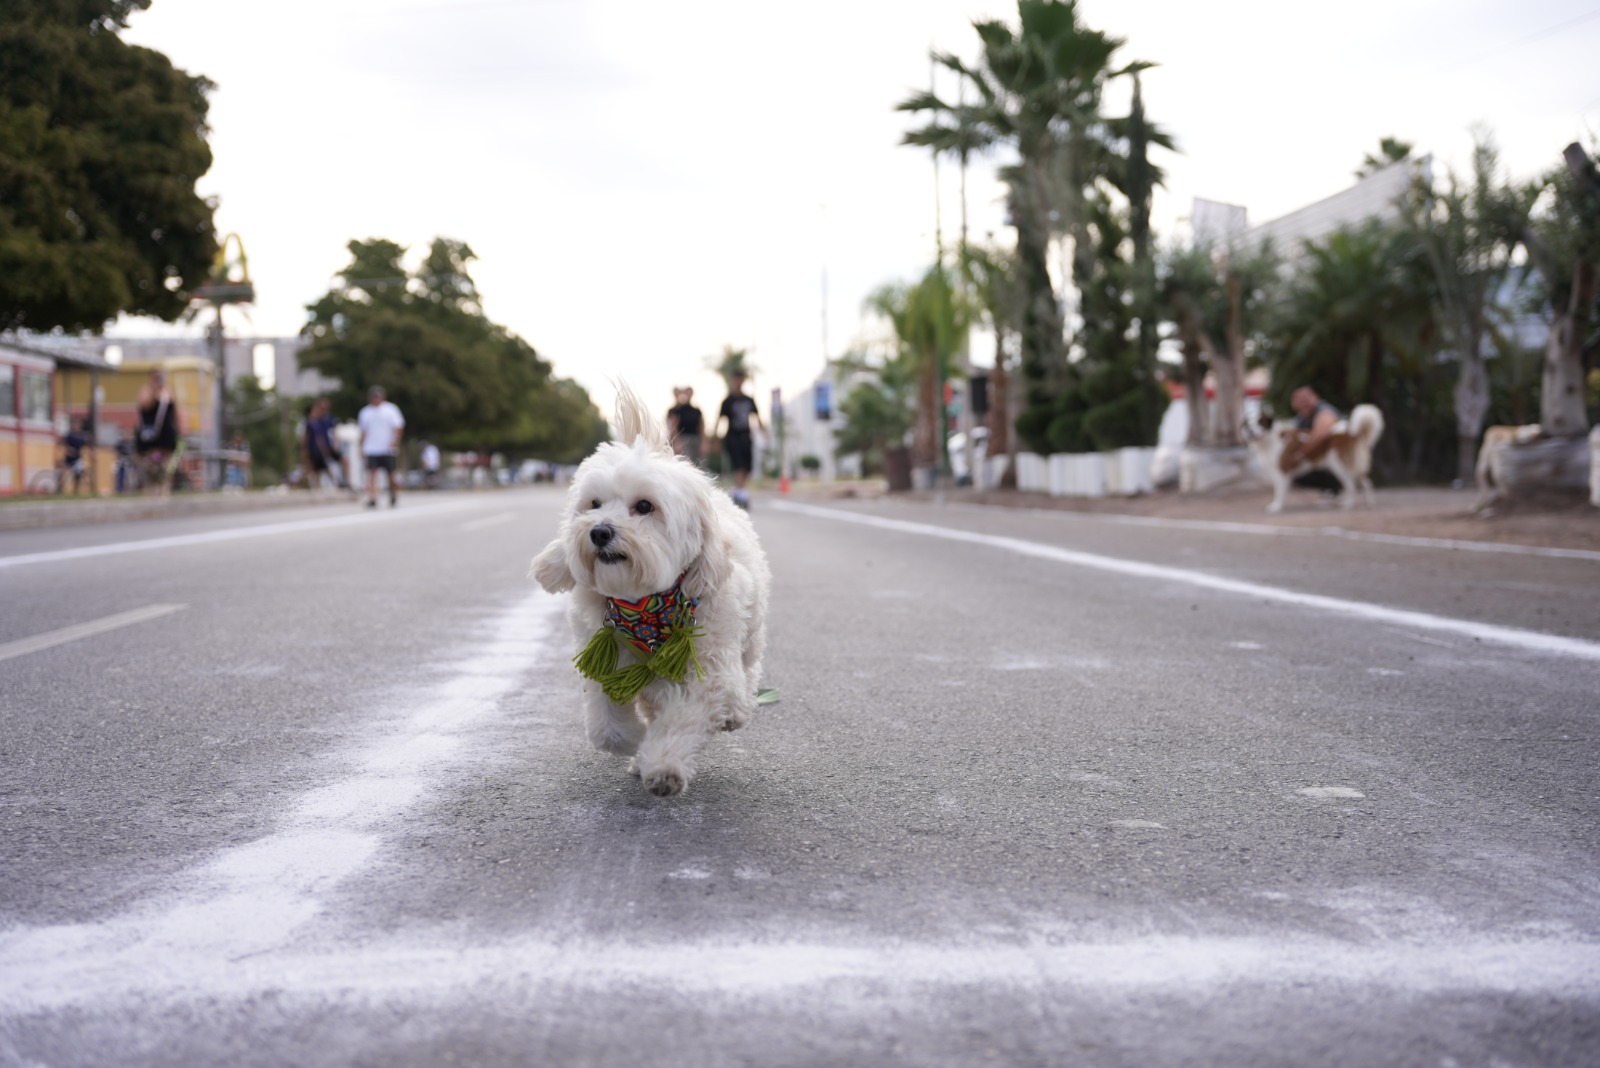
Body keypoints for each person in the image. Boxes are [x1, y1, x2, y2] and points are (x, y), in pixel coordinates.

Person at [713, 372, 764, 509]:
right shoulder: (728, 401)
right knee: (739, 465)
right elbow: (720, 419)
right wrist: (716, 438)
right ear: (732, 381)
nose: (738, 382)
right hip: (733, 437)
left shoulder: (748, 400)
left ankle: (739, 491)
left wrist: (763, 430)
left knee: (747, 467)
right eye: (736, 379)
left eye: (740, 379)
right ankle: (742, 493)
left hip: (746, 436)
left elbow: (756, 416)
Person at [1287, 385, 1345, 495]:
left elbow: (1321, 434)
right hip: (1323, 459)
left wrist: (1299, 456)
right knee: (1298, 475)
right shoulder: (1300, 419)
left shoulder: (1324, 410)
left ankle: (1337, 486)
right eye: (1298, 399)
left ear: (1315, 397)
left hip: (1338, 456)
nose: (1303, 402)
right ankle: (1331, 489)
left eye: (1306, 398)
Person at [133, 369, 179, 495]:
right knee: (149, 467)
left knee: (165, 467)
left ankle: (164, 490)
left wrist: (179, 430)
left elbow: (175, 412)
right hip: (150, 437)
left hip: (166, 436)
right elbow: (145, 406)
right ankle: (149, 490)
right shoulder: (146, 391)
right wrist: (155, 391)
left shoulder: (168, 391)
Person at [358, 385, 405, 508]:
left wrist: (395, 440)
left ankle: (393, 494)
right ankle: (373, 498)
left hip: (387, 448)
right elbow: (363, 431)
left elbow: (398, 427)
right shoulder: (365, 412)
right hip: (372, 448)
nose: (375, 399)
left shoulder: (391, 409)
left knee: (391, 474)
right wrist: (361, 447)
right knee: (372, 474)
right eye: (373, 397)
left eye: (377, 396)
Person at [302, 396, 348, 490]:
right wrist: (305, 450)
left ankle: (342, 482)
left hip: (327, 447)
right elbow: (312, 437)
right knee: (317, 468)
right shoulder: (312, 422)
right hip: (317, 449)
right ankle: (321, 486)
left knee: (330, 465)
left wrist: (335, 444)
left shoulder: (328, 418)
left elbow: (333, 432)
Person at [667, 386, 706, 465]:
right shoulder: (677, 410)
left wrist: (704, 442)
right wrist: (677, 442)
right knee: (686, 463)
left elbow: (701, 426)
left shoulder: (696, 410)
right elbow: (673, 428)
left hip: (695, 439)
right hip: (684, 439)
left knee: (698, 464)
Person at [60, 418, 90, 494]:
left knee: (78, 474)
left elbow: (86, 445)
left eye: (77, 425)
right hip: (69, 457)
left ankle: (76, 490)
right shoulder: (70, 436)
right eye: (75, 425)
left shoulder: (82, 436)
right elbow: (62, 444)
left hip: (77, 458)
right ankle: (60, 488)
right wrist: (68, 450)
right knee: (63, 473)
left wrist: (89, 452)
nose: (76, 426)